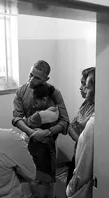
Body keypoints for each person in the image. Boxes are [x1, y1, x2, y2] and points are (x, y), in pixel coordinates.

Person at [12, 60, 70, 198]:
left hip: (47, 144)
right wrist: (31, 133)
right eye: (31, 74)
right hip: (28, 141)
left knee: (46, 184)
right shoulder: (21, 91)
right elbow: (16, 118)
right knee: (27, 181)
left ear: (46, 79)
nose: (31, 79)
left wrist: (48, 132)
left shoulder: (54, 93)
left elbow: (65, 121)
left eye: (37, 77)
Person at [66, 70, 96, 198]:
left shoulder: (94, 121)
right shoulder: (85, 104)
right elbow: (70, 126)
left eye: (85, 85)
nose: (81, 88)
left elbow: (83, 173)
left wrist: (81, 142)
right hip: (78, 151)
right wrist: (80, 141)